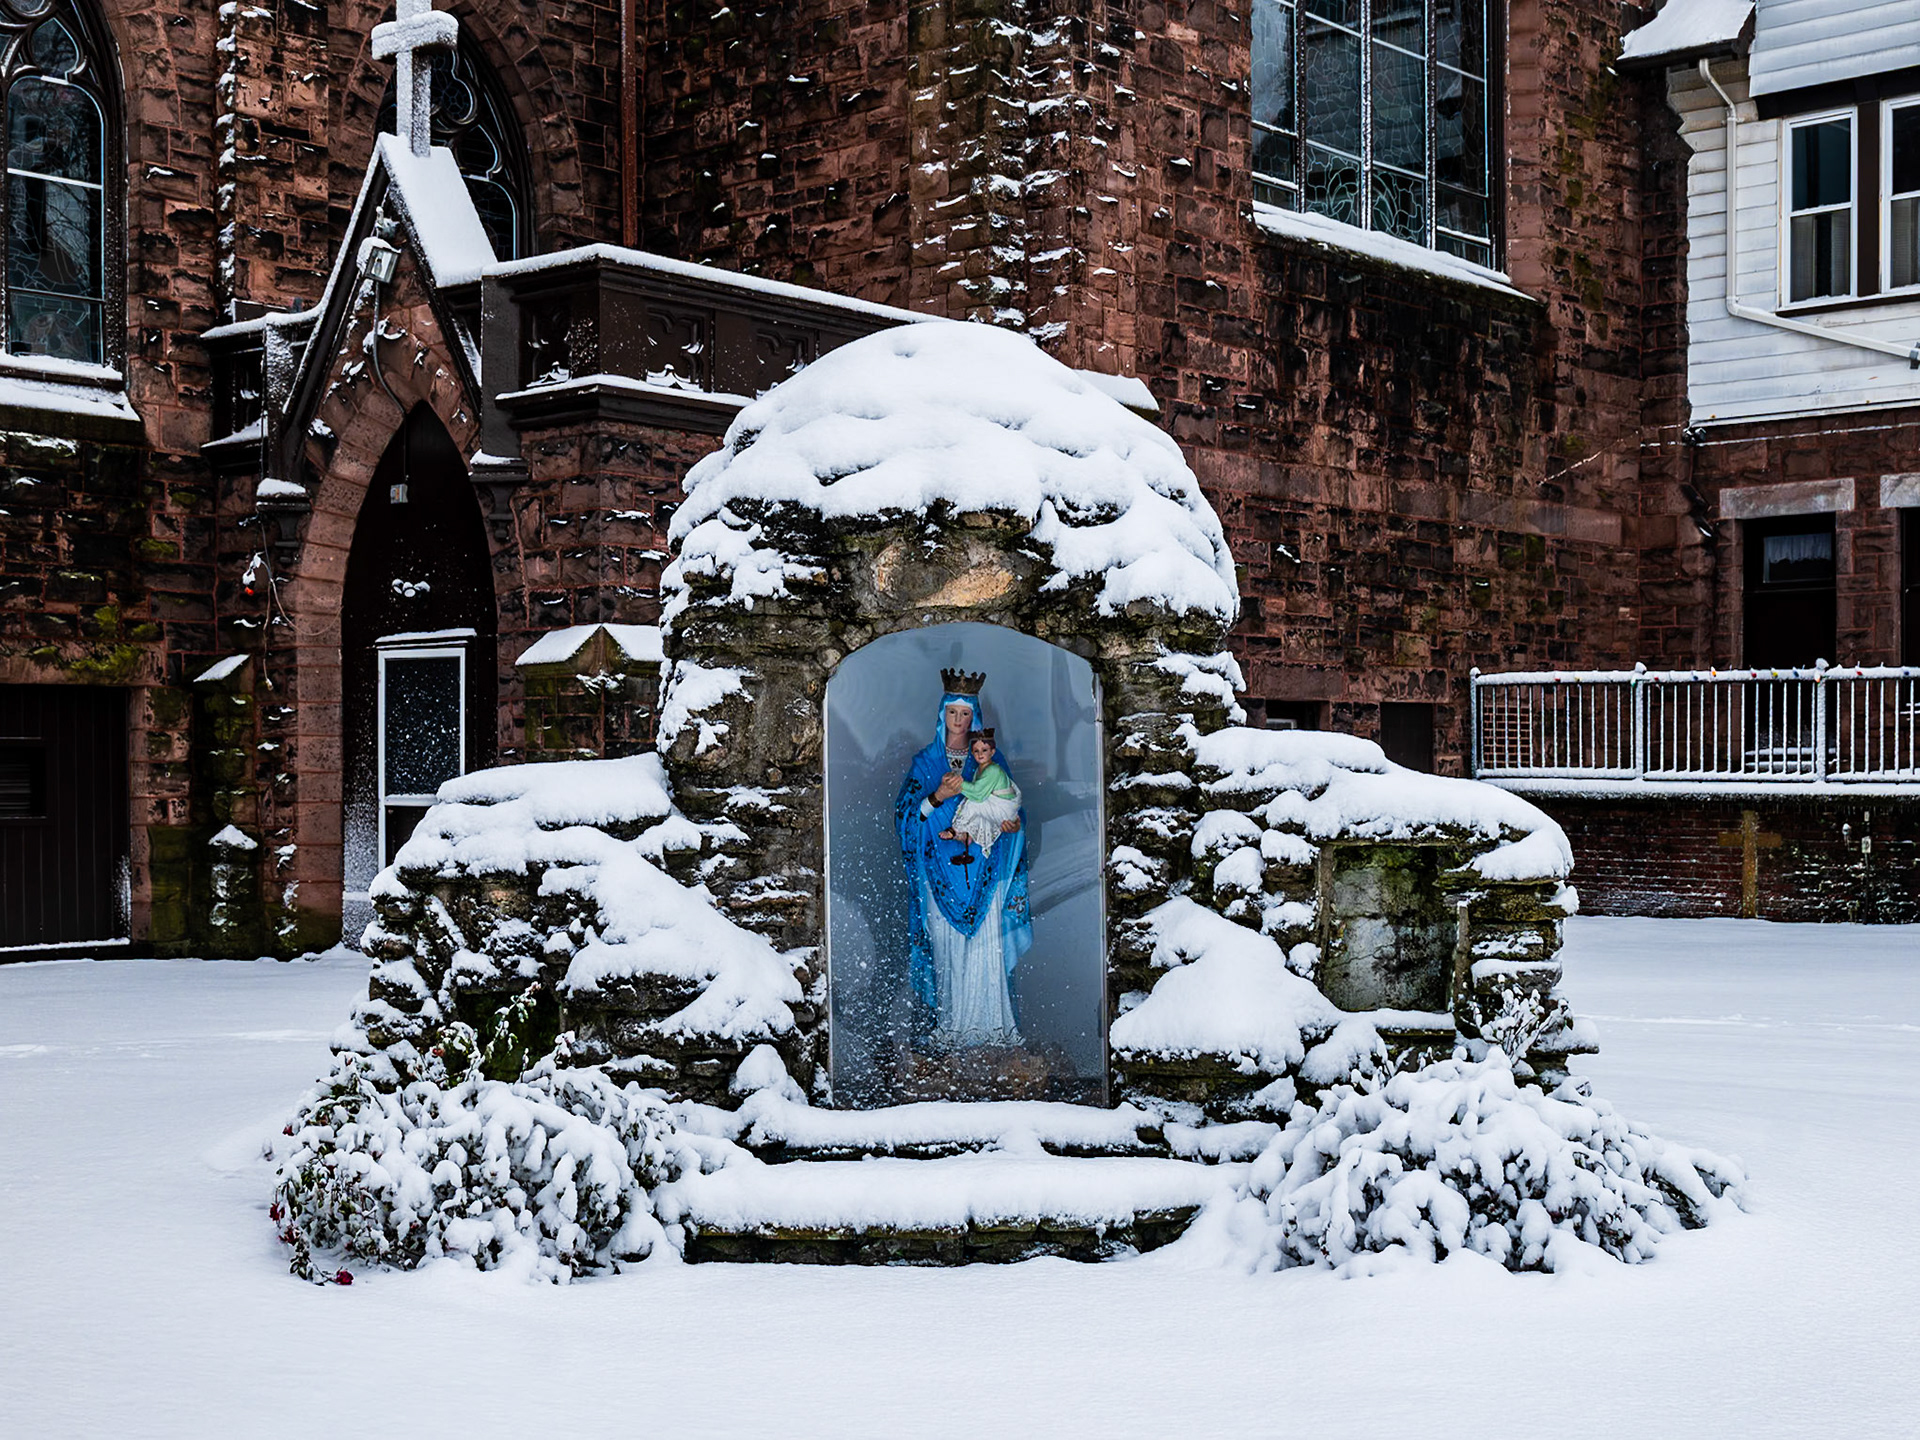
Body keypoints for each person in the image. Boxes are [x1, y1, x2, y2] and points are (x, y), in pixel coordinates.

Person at [894, 671, 1033, 1048]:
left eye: (966, 715)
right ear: (942, 716)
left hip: (985, 872)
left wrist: (1012, 825)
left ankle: (993, 1032)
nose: (959, 721)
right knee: (948, 953)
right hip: (940, 874)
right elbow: (907, 819)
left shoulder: (991, 761)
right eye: (953, 713)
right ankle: (953, 1029)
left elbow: (1014, 810)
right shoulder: (925, 763)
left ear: (976, 719)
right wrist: (936, 796)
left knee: (988, 950)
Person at [942, 730, 1022, 854]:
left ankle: (955, 830)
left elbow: (978, 794)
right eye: (976, 751)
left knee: (973, 804)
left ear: (992, 752)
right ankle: (968, 835)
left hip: (1004, 810)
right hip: (997, 806)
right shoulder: (981, 769)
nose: (980, 754)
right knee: (970, 803)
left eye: (984, 750)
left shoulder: (993, 770)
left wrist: (957, 782)